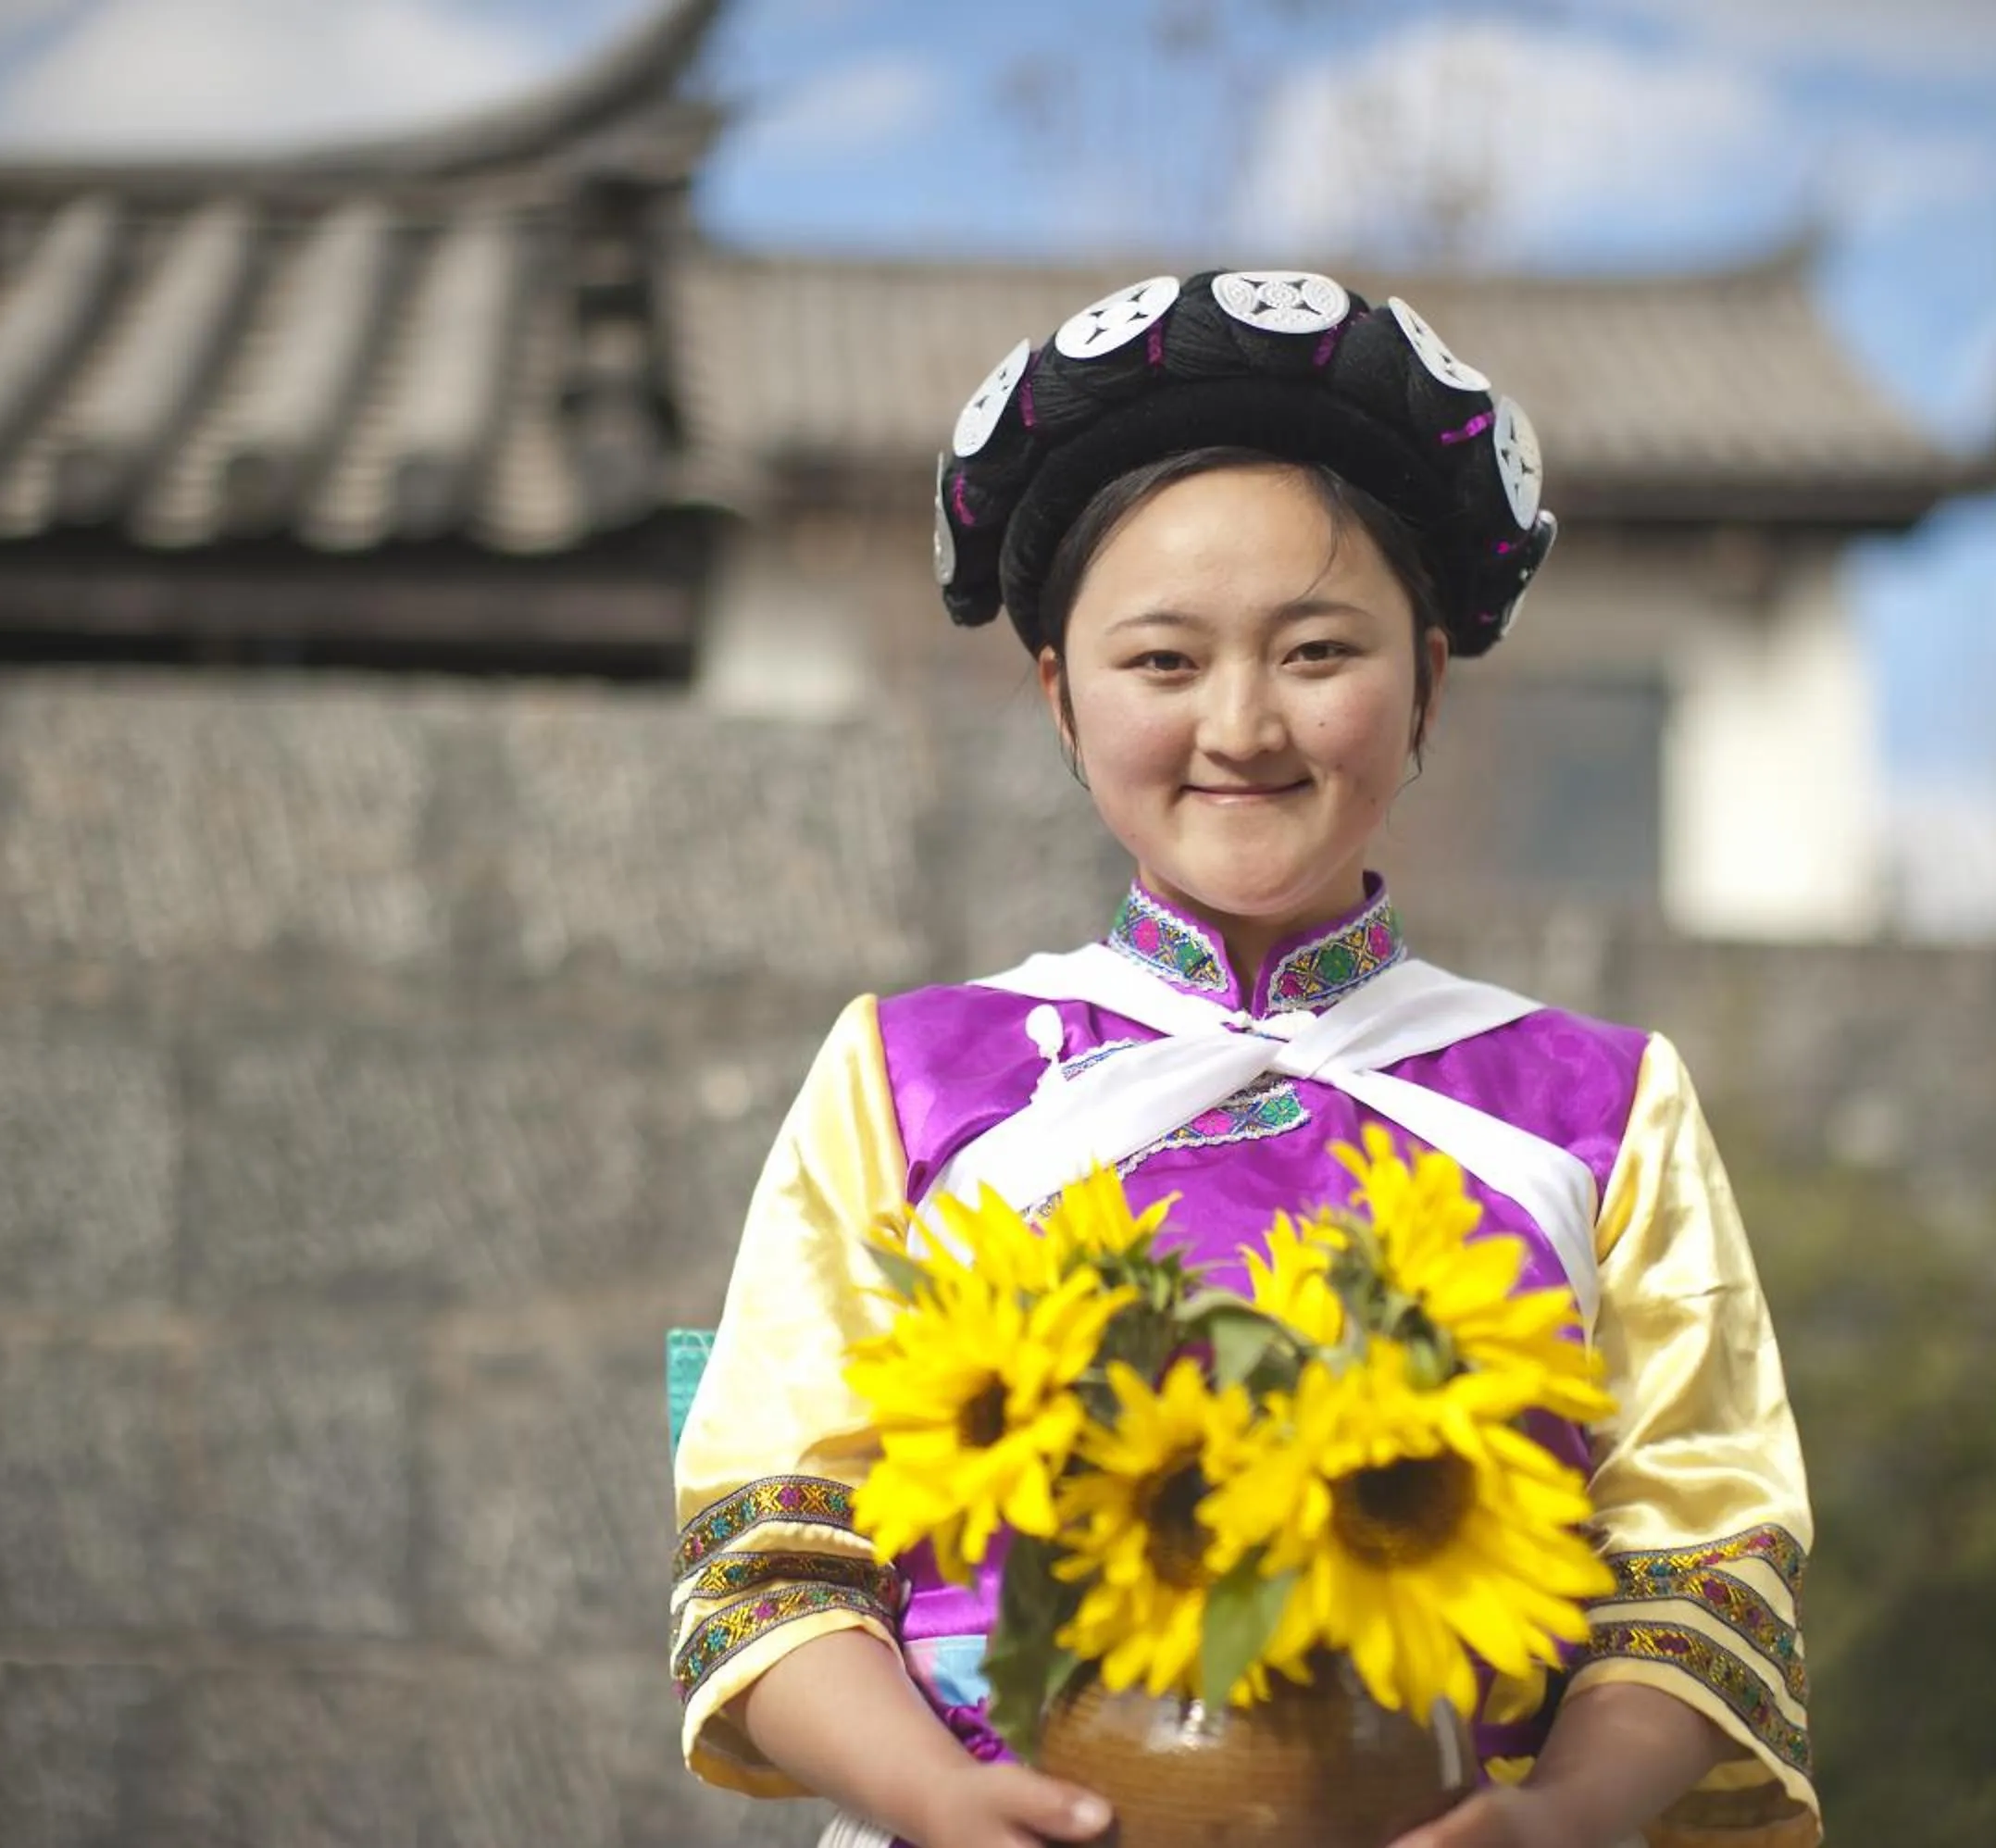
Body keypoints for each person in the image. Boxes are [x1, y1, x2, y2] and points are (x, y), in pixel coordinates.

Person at [670, 269, 1817, 1848]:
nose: (1243, 724)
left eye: (1316, 652)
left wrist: (1560, 1822)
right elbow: (769, 1545)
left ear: (1425, 677)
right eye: (1160, 663)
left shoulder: (1603, 1107)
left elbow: (1706, 1551)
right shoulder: (908, 1077)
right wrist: (933, 1796)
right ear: (1063, 701)